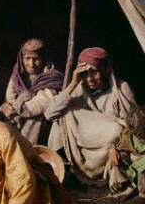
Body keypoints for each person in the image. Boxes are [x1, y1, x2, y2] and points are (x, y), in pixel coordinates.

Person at [44, 47, 137, 194]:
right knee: (63, 116)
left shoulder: (121, 89)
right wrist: (72, 84)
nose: (89, 78)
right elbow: (49, 114)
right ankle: (60, 168)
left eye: (94, 71)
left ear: (106, 70)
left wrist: (116, 147)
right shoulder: (78, 90)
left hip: (110, 148)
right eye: (84, 74)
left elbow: (131, 127)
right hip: (82, 150)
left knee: (116, 129)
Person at [0, 38, 63, 145]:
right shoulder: (19, 72)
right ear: (21, 59)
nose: (31, 64)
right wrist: (10, 107)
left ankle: (26, 149)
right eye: (27, 58)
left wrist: (18, 109)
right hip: (18, 110)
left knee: (35, 120)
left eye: (36, 59)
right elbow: (10, 95)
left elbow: (43, 102)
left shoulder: (52, 76)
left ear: (43, 59)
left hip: (40, 117)